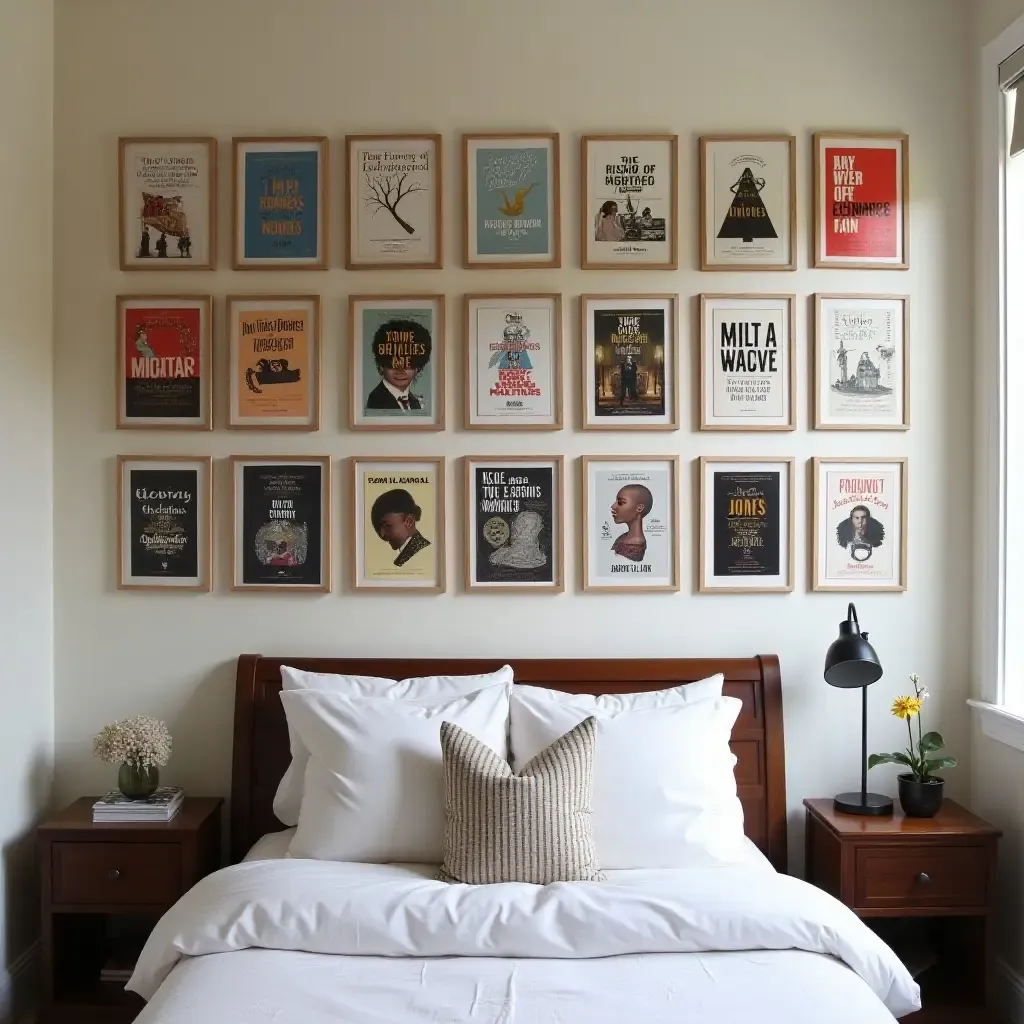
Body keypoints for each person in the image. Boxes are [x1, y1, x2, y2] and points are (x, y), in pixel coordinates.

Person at [364, 318, 432, 412]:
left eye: (408, 362)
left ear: (418, 368)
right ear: (380, 366)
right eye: (392, 363)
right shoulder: (374, 402)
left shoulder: (415, 402)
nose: (400, 370)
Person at [370, 488, 431, 567]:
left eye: (387, 526)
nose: (382, 535)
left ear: (409, 521)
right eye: (379, 527)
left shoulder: (423, 554)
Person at [610, 483, 652, 563]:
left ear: (639, 508)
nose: (613, 506)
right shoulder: (625, 537)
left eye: (620, 503)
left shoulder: (634, 545)